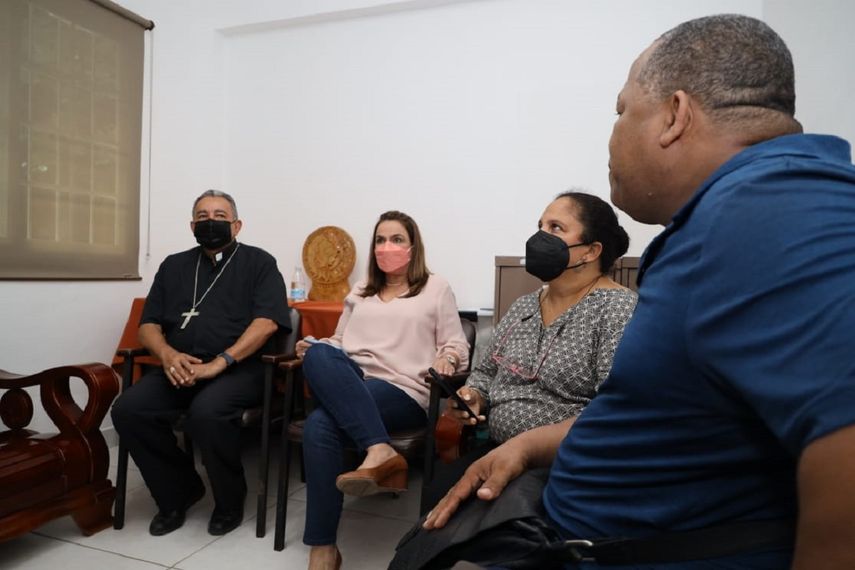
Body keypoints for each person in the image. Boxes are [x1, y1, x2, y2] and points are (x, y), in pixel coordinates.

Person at [423, 14, 855, 568]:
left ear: (675, 115)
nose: (614, 132)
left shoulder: (774, 208)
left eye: (623, 110)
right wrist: (525, 445)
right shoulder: (734, 215)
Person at [425, 191, 637, 508]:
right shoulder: (524, 305)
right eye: (540, 226)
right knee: (433, 518)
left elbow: (615, 409)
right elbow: (485, 373)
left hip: (564, 466)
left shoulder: (618, 309)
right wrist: (473, 397)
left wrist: (529, 446)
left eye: (555, 228)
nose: (540, 236)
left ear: (590, 251)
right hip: (496, 450)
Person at [295, 210, 470, 570]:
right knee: (319, 354)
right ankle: (380, 452)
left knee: (318, 425)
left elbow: (455, 344)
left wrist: (447, 360)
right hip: (354, 381)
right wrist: (316, 346)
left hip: (403, 388)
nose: (386, 247)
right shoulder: (361, 290)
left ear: (413, 246)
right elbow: (340, 341)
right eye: (380, 240)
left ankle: (322, 550)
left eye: (396, 239)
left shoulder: (435, 287)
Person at [111, 190, 290, 537]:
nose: (211, 222)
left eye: (220, 216)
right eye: (203, 216)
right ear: (192, 225)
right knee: (128, 410)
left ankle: (229, 501)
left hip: (239, 368)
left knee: (207, 413)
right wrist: (168, 355)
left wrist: (221, 362)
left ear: (237, 225)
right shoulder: (174, 265)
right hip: (179, 366)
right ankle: (178, 491)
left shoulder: (259, 263)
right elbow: (147, 325)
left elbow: (267, 322)